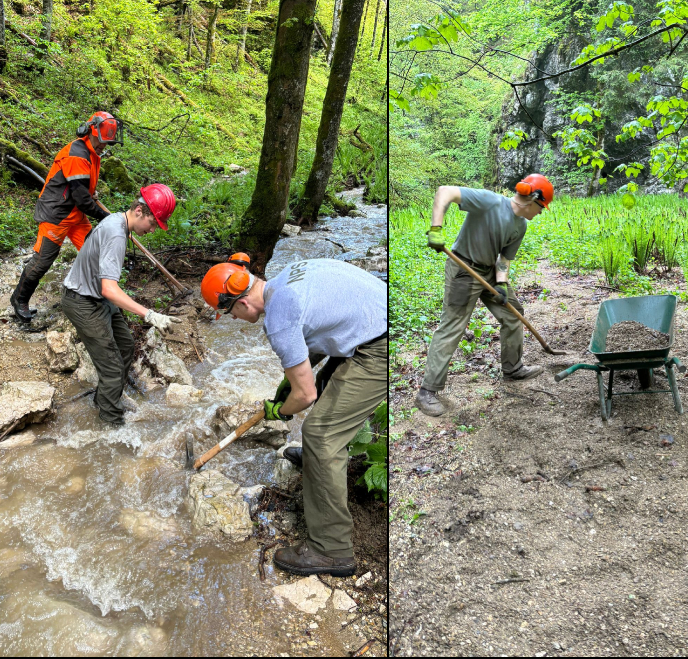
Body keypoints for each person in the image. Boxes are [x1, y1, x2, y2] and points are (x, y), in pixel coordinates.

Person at [200, 255, 387, 577]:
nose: (231, 319)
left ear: (242, 302)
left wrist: (280, 411)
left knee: (321, 436)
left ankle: (332, 550)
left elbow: (305, 395)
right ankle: (319, 464)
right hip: (373, 324)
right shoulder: (286, 279)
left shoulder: (278, 320)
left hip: (379, 346)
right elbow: (319, 329)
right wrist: (292, 377)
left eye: (227, 312)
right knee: (328, 385)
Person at [414, 175, 553, 418]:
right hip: (463, 268)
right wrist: (436, 228)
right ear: (533, 199)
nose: (541, 214)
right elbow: (445, 190)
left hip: (488, 272)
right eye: (542, 208)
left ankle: (513, 368)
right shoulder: (489, 201)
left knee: (513, 314)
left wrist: (501, 284)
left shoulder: (520, 225)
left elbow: (504, 259)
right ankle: (427, 392)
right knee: (452, 326)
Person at [60, 184, 179, 425]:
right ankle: (111, 426)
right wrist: (150, 315)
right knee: (113, 368)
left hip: (95, 296)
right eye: (153, 222)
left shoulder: (118, 222)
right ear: (138, 210)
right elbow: (110, 289)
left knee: (125, 345)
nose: (153, 229)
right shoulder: (116, 232)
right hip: (82, 300)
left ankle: (107, 398)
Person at [9, 111, 124, 321]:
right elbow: (81, 197)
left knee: (94, 254)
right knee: (43, 260)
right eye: (101, 140)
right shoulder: (77, 154)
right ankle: (19, 299)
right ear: (91, 131)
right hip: (57, 214)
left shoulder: (92, 153)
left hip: (75, 213)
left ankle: (100, 296)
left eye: (107, 143)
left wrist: (92, 192)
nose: (103, 146)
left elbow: (81, 188)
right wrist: (106, 216)